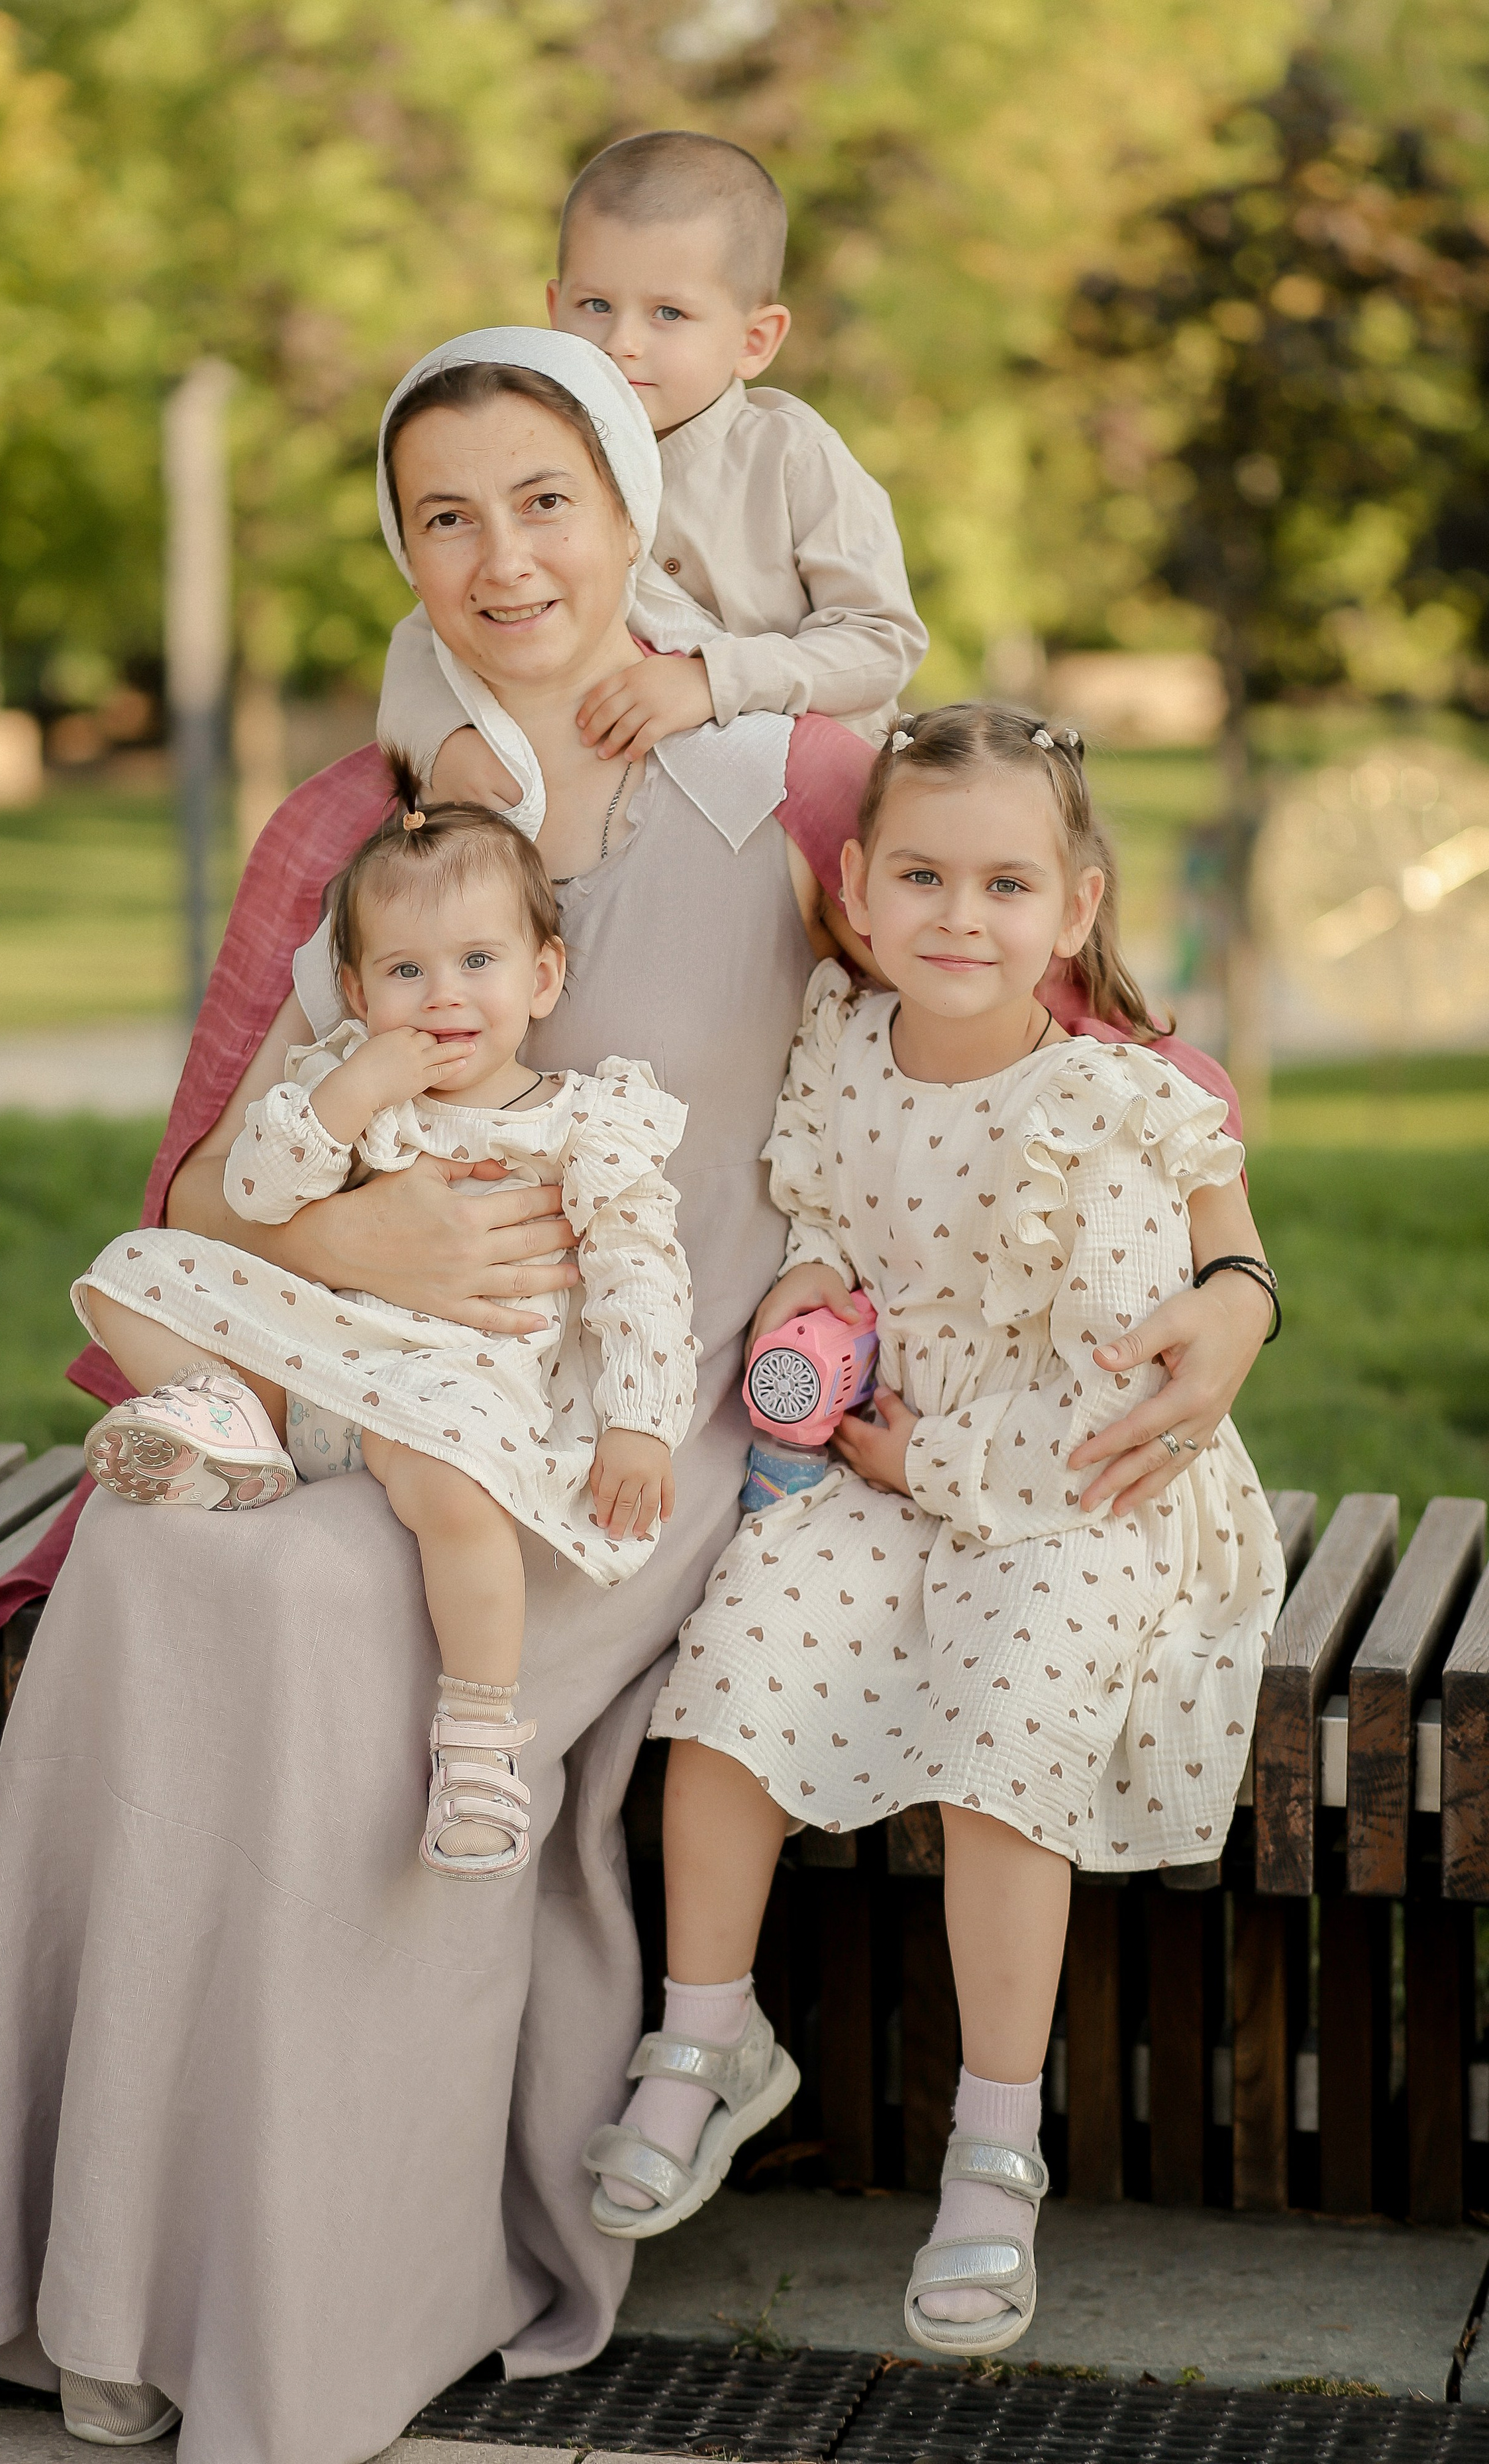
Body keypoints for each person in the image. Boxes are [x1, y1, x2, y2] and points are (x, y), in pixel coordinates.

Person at [0, 329, 1276, 2464]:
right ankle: (100, 2274)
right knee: (172, 1579)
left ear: (636, 512)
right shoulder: (356, 817)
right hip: (387, 1373)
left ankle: (341, 2296)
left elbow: (1088, 1020)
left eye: (548, 500)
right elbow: (196, 1171)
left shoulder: (801, 780)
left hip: (675, 1405)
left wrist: (1237, 1282)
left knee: (333, 1619)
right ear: (400, 552)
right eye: (444, 514)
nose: (502, 556)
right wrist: (336, 1244)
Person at [582, 704, 1284, 2363]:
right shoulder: (839, 1038)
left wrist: (927, 1468)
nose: (958, 914)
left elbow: (1114, 1391)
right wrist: (812, 1283)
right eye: (920, 874)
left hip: (1071, 1483)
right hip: (888, 1457)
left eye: (1003, 882)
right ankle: (703, 2038)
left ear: (1076, 903)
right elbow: (825, 1205)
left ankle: (992, 2137)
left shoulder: (1103, 1109)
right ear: (851, 885)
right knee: (730, 1667)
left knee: (998, 1740)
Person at [74, 800, 694, 1880]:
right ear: (356, 996)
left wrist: (639, 1425)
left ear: (542, 979)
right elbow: (258, 1196)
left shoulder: (582, 1122)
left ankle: (476, 1745)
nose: (444, 993)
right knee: (132, 1271)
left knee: (459, 1501)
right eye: (406, 973)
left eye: (477, 960)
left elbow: (643, 1279)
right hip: (317, 1366)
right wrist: (352, 1086)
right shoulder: (345, 1094)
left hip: (451, 1393)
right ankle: (238, 1428)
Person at [380, 129, 929, 810]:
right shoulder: (538, 459)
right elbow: (426, 633)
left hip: (811, 809)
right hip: (609, 801)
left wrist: (710, 681)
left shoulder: (790, 455)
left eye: (668, 313)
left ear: (754, 341)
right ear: (554, 312)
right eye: (596, 307)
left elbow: (881, 642)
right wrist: (442, 740)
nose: (622, 344)